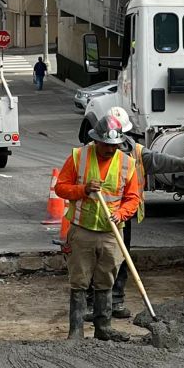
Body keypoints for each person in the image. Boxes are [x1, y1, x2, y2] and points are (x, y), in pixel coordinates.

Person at [53, 105, 143, 341]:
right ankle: (76, 331)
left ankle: (103, 328)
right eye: (106, 146)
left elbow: (133, 198)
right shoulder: (79, 156)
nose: (110, 150)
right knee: (80, 280)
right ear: (96, 141)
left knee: (106, 279)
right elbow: (60, 188)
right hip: (82, 230)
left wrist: (122, 213)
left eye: (114, 146)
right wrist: (83, 189)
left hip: (111, 232)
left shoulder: (127, 163)